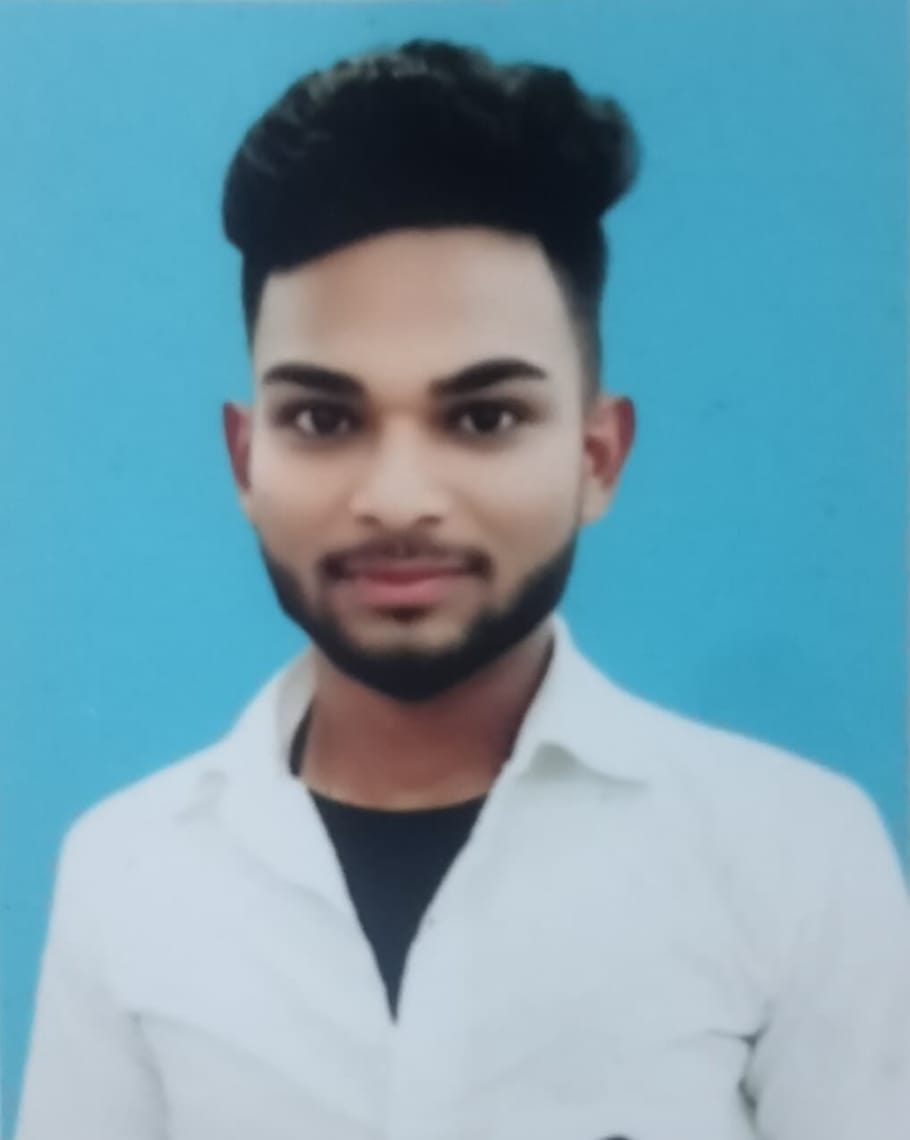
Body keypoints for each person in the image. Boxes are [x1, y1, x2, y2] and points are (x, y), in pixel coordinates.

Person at [15, 38, 910, 1140]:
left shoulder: (795, 856)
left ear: (596, 458)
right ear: (246, 461)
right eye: (323, 418)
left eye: (484, 417)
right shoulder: (127, 869)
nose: (397, 499)